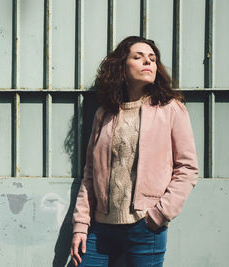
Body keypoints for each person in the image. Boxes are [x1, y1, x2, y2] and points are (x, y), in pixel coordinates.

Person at [70, 36, 199, 267]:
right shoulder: (105, 113)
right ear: (121, 66)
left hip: (145, 227)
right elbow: (90, 173)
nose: (147, 62)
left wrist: (159, 214)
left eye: (152, 58)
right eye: (138, 57)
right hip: (101, 228)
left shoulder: (171, 109)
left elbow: (188, 168)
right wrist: (81, 225)